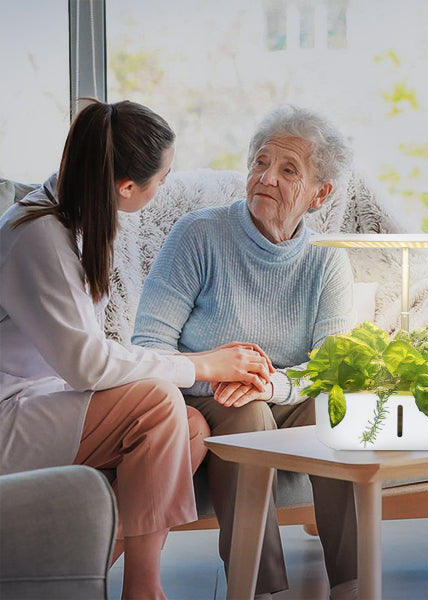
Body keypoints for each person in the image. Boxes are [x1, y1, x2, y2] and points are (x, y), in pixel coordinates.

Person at [0, 99, 272, 600]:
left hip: (42, 404)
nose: (165, 185)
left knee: (191, 429)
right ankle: (143, 590)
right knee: (157, 402)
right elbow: (87, 364)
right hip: (10, 418)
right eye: (162, 178)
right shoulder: (36, 235)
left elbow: (88, 354)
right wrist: (202, 364)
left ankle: (75, 570)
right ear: (127, 187)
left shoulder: (71, 222)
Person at [133, 104, 359, 600]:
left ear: (320, 194)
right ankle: (262, 589)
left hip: (283, 392)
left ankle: (355, 584)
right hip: (203, 395)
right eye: (260, 162)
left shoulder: (328, 261)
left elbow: (332, 365)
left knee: (338, 411)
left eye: (288, 170)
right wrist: (216, 378)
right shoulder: (198, 235)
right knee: (251, 414)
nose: (266, 177)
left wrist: (271, 381)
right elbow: (148, 348)